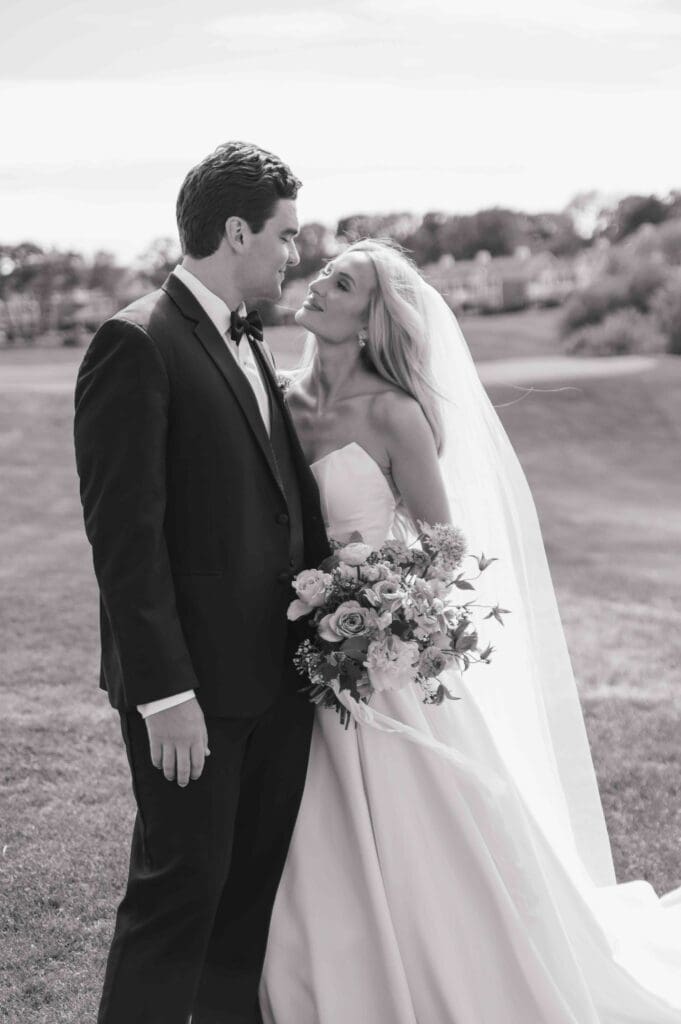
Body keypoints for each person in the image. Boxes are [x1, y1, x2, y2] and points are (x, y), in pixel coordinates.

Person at [259, 239, 681, 1022]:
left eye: (340, 281)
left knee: (427, 838)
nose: (317, 282)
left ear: (369, 318)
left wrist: (383, 611)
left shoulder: (392, 414)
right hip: (293, 658)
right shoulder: (275, 401)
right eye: (322, 271)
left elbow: (442, 550)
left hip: (385, 669)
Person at [74, 141, 328, 1024]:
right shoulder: (136, 341)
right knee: (177, 900)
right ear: (235, 231)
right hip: (195, 698)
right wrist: (164, 695)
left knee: (245, 904)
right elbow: (125, 538)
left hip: (277, 685)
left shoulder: (253, 342)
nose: (294, 254)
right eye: (285, 236)